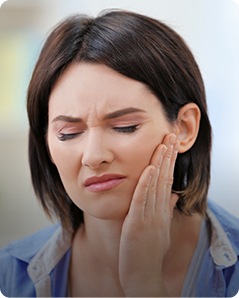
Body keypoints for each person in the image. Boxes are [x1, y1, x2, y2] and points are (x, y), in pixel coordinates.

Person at [0, 10, 238, 297]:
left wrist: (144, 283)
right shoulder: (10, 276)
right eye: (69, 134)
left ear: (185, 128)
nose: (93, 156)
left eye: (125, 127)